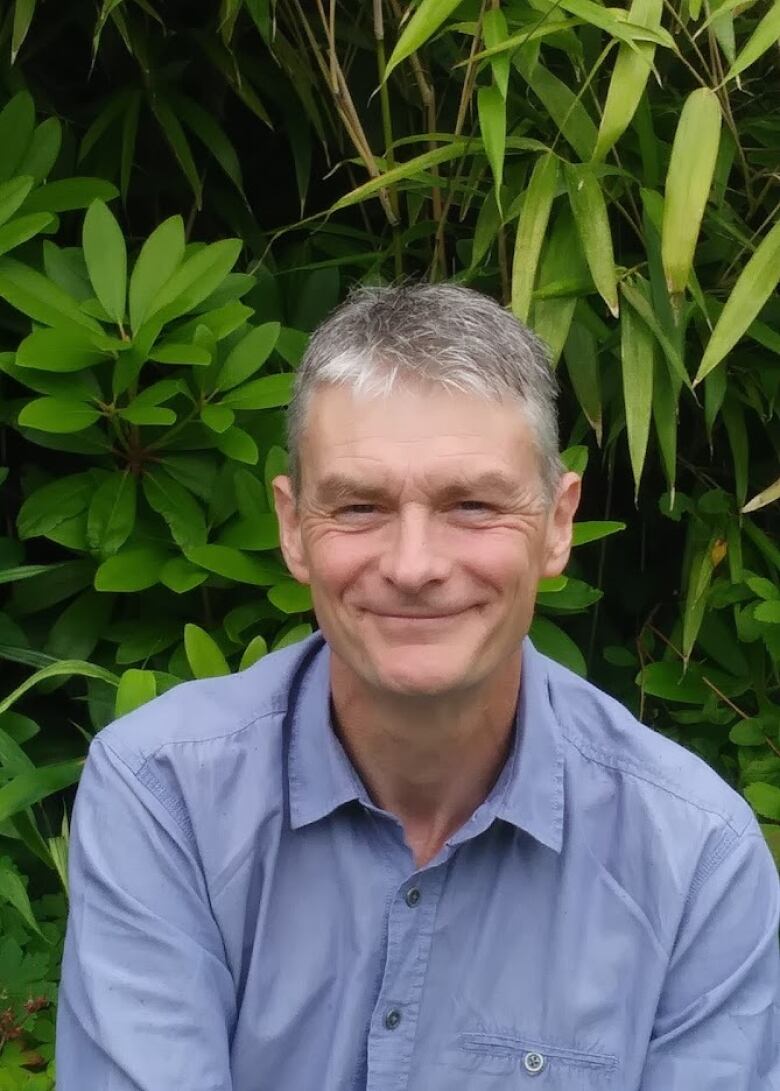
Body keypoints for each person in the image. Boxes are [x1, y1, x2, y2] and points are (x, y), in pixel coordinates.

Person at [56, 283, 779, 1090]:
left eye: (472, 504)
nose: (412, 565)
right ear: (294, 528)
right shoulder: (164, 796)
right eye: (359, 506)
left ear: (558, 522)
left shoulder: (694, 856)